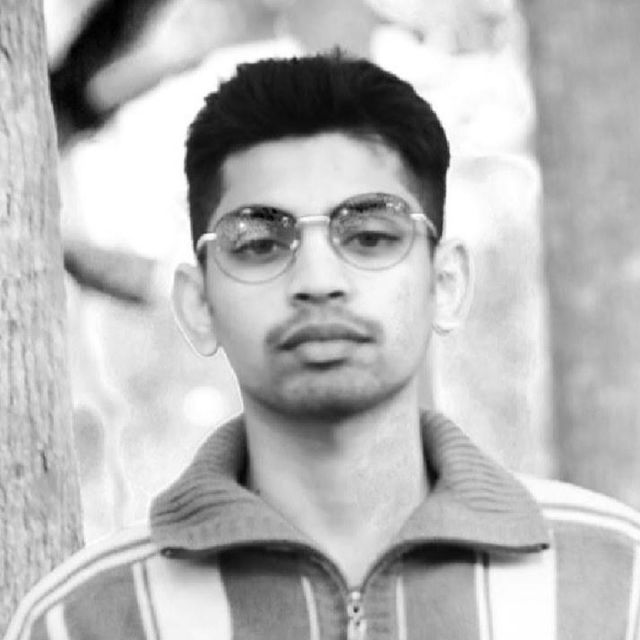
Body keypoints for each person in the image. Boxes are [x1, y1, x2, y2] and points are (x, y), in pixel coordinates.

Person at [5, 50, 640, 640]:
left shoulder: (618, 580)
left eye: (369, 236)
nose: (317, 280)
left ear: (445, 284)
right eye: (260, 244)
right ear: (199, 306)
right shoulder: (77, 621)